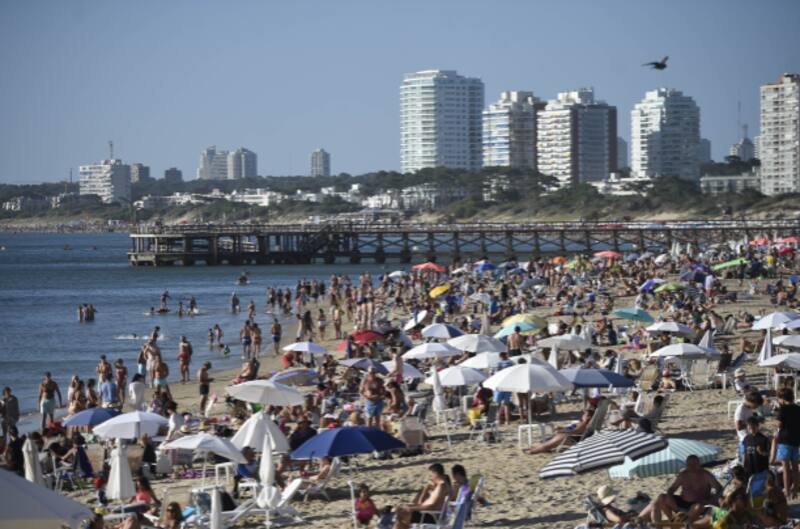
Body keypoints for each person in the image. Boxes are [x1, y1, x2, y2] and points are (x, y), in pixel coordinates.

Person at [641, 454, 722, 525]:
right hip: (683, 501)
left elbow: (719, 488)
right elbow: (672, 489)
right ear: (686, 464)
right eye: (689, 464)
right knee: (661, 497)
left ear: (699, 464)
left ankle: (685, 524)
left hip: (699, 503)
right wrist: (670, 497)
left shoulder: (706, 475)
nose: (692, 466)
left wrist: (711, 500)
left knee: (697, 507)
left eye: (694, 464)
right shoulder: (683, 475)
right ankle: (671, 520)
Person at [393, 463, 452, 529]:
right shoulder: (440, 486)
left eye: (431, 475)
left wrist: (411, 508)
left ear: (435, 473)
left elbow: (432, 506)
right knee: (400, 512)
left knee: (400, 514)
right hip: (428, 514)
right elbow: (421, 503)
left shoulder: (441, 486)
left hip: (431, 516)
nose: (431, 477)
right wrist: (425, 490)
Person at [523, 406, 595, 454]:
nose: (584, 415)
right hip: (567, 435)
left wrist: (562, 431)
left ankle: (536, 450)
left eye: (586, 415)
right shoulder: (580, 423)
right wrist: (561, 428)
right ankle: (537, 448)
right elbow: (570, 429)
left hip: (571, 438)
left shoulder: (583, 425)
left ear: (589, 417)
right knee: (549, 441)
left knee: (554, 440)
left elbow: (575, 431)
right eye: (584, 414)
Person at [772, 387, 800, 498]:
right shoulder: (798, 408)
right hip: (796, 440)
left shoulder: (783, 409)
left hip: (784, 441)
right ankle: (795, 490)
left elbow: (779, 425)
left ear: (782, 398)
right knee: (795, 467)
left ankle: (787, 491)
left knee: (786, 468)